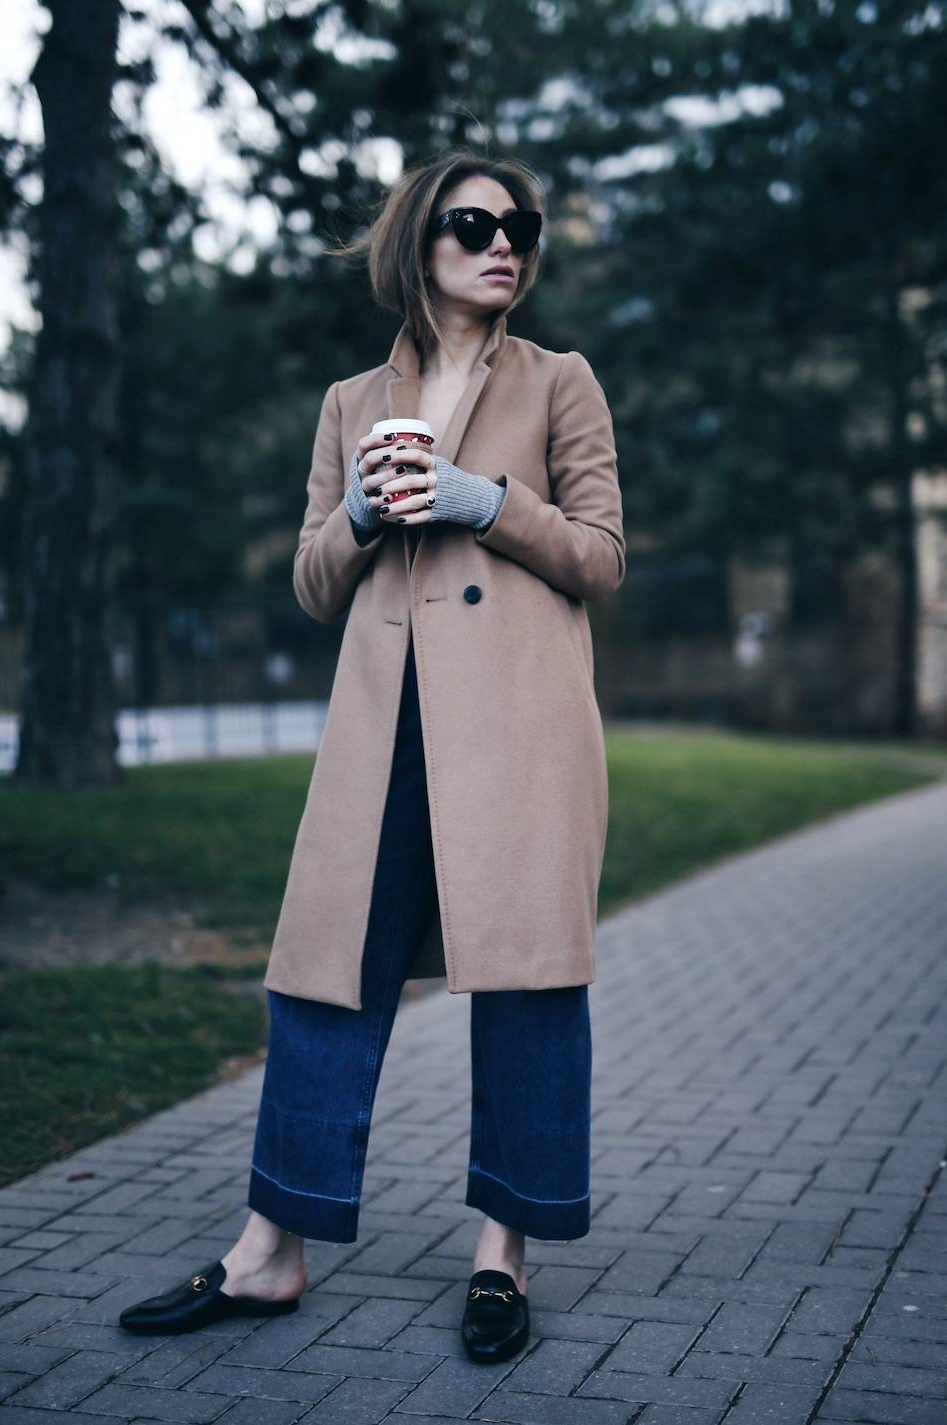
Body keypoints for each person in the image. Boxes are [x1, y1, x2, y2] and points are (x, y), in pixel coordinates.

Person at [119, 149, 625, 1363]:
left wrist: (476, 499)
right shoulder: (352, 401)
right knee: (318, 978)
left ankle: (503, 1255)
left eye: (523, 226)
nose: (506, 241)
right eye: (474, 222)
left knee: (527, 982)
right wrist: (354, 514)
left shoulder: (561, 381)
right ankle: (268, 1252)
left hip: (517, 732)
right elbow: (308, 582)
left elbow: (602, 556)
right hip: (379, 728)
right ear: (419, 243)